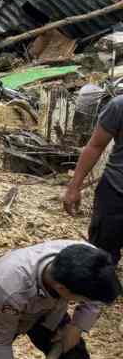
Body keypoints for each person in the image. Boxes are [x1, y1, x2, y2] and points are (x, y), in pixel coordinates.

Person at [63, 93, 123, 264]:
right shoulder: (119, 106)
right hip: (115, 192)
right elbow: (95, 146)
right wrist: (74, 187)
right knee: (101, 257)